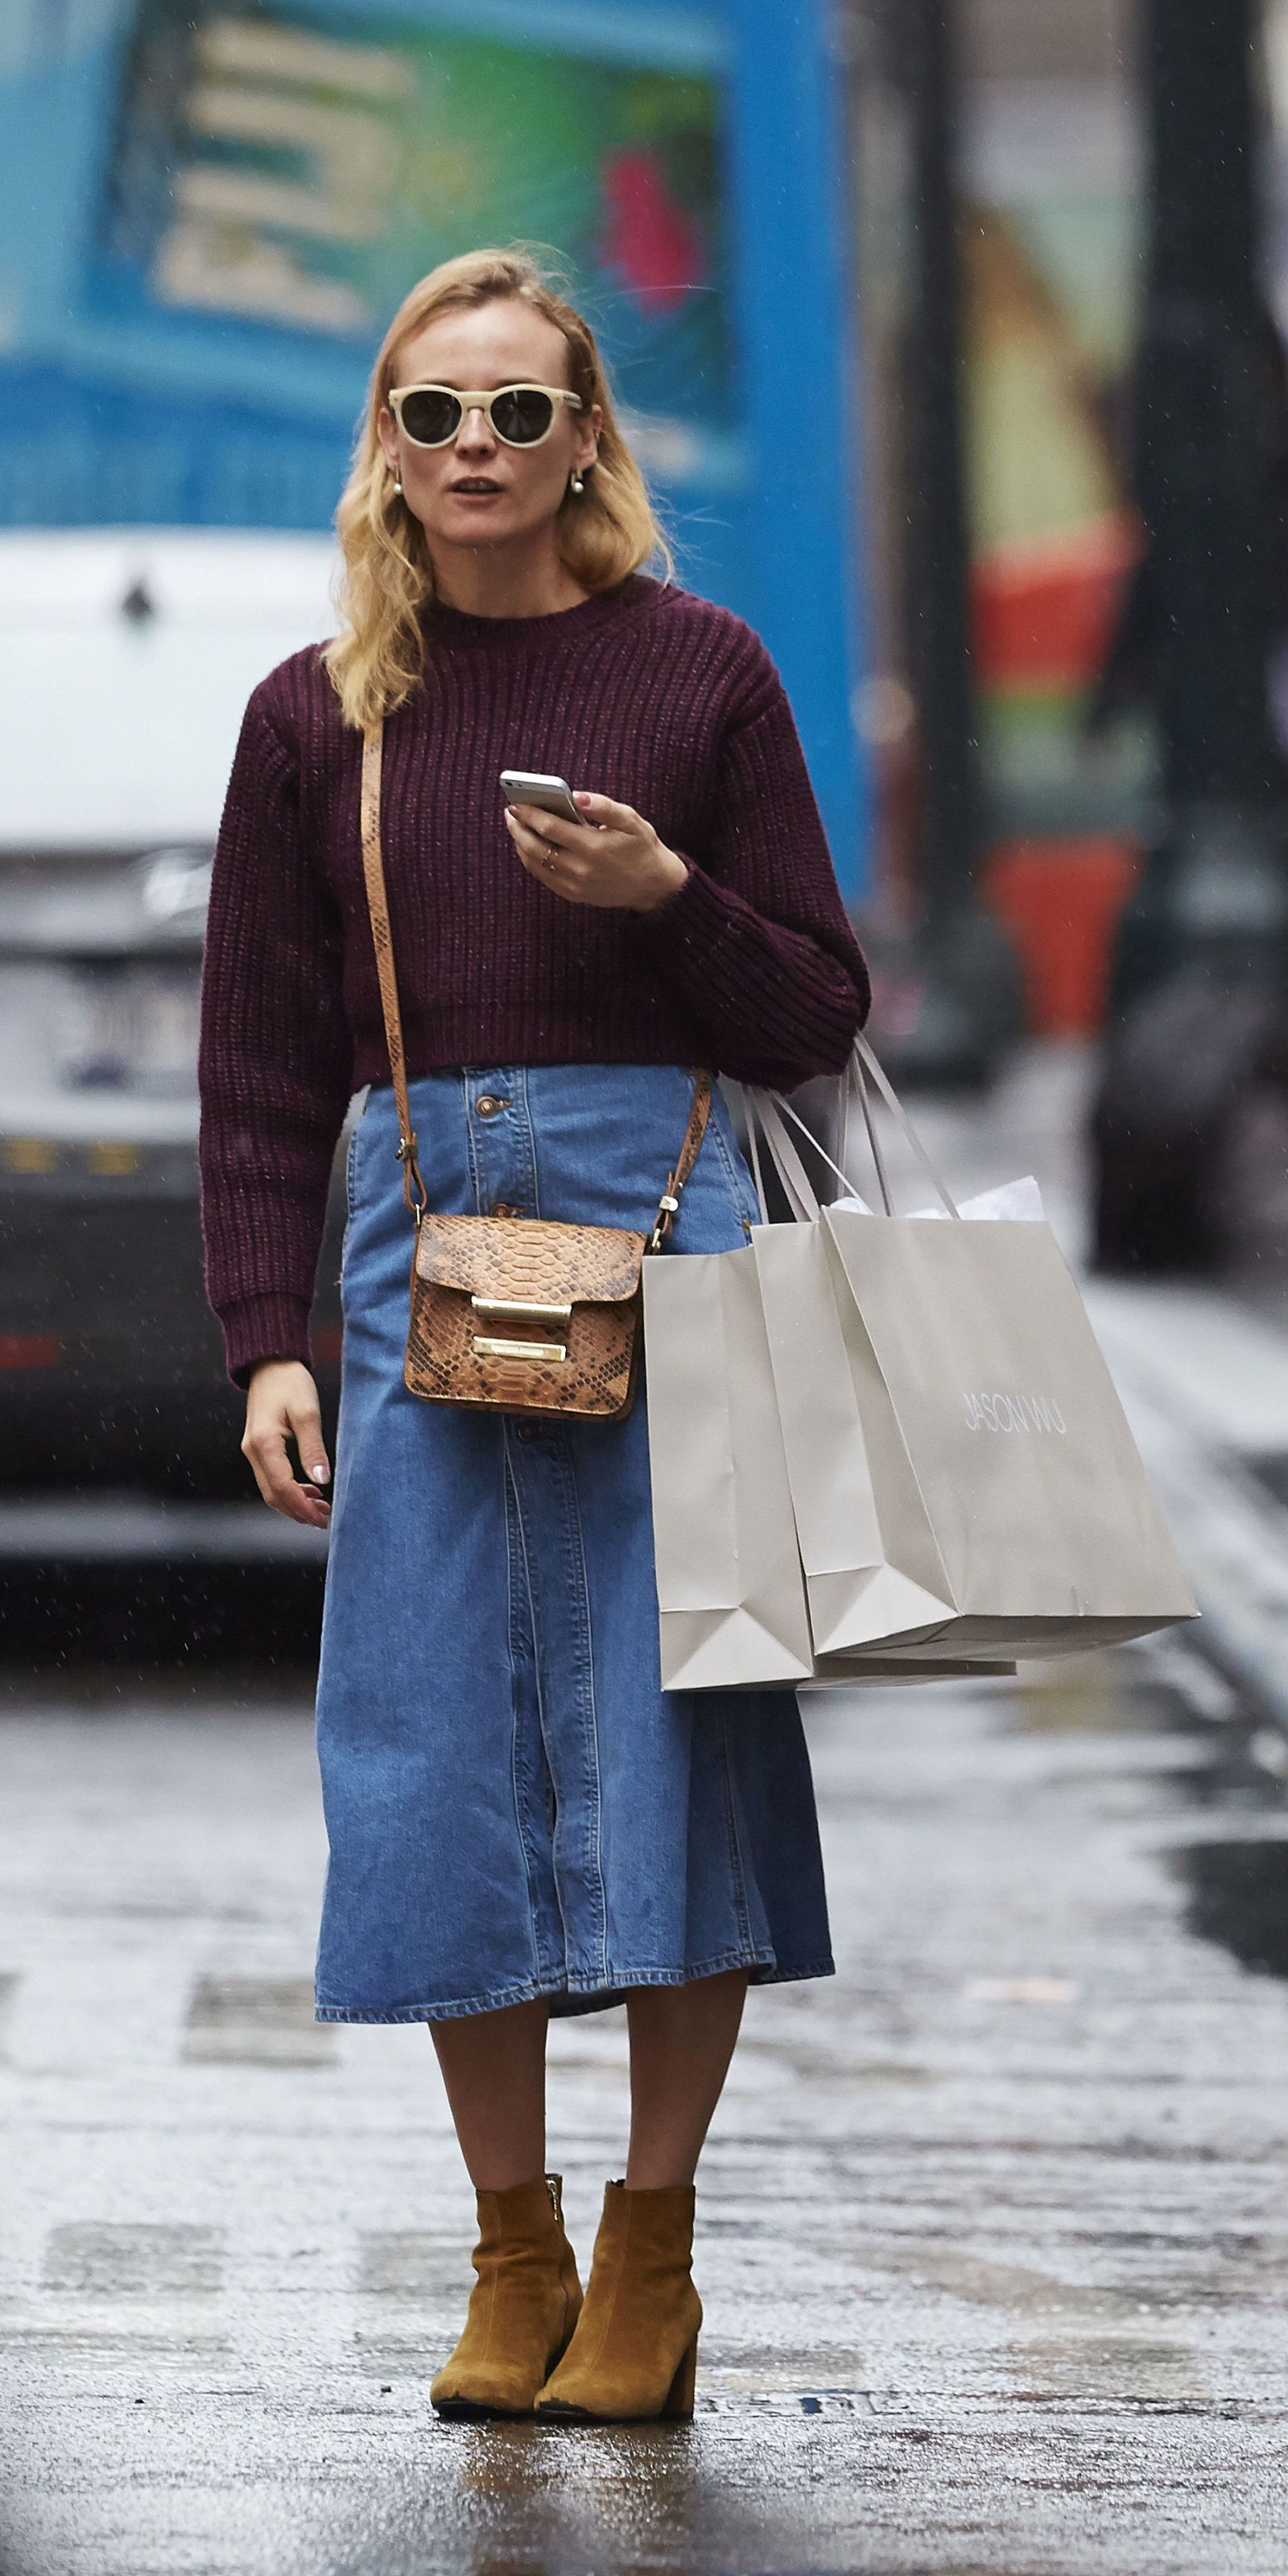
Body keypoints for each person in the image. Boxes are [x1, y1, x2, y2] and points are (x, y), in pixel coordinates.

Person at [198, 246, 869, 2425]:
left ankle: (652, 2263)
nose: (476, 449)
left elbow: (819, 1012)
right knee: (425, 1760)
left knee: (683, 1732)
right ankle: (514, 2254)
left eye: (519, 411)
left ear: (588, 441)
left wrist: (664, 899)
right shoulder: (321, 714)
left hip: (671, 1248)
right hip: (414, 1259)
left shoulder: (704, 673)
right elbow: (262, 1062)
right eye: (433, 414)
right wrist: (262, 1339)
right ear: (383, 454)